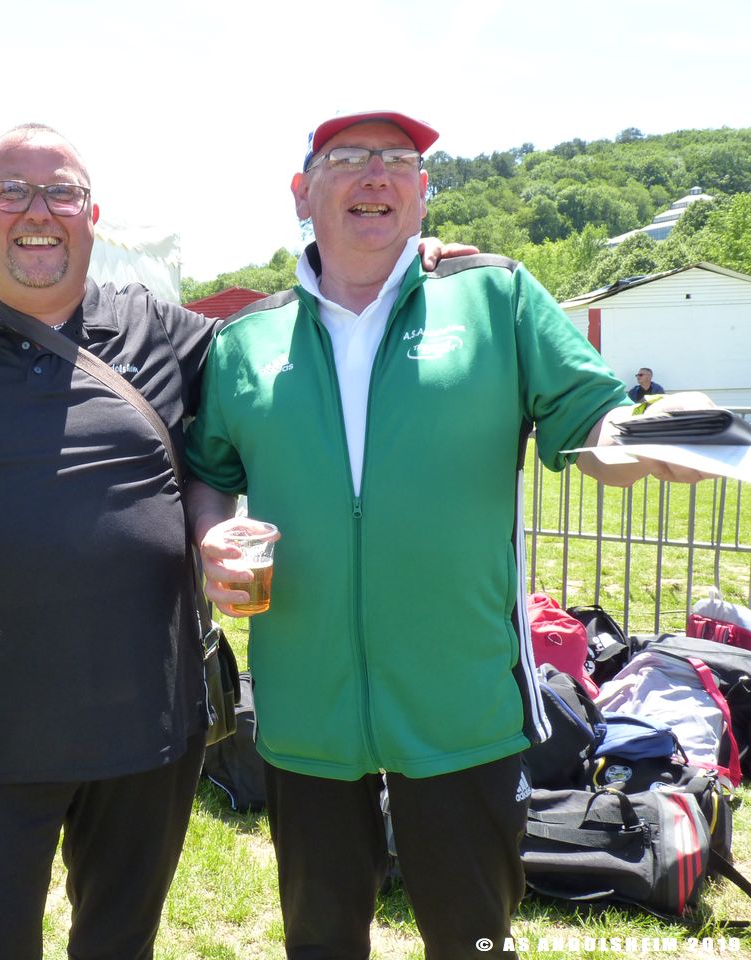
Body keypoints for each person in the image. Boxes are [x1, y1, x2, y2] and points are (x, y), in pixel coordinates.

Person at [0, 122, 464, 960]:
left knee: (120, 946)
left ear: (91, 216)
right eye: (12, 192)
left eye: (62, 193)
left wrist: (394, 264)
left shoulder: (161, 332)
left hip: (146, 733)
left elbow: (300, 342)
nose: (38, 211)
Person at [182, 110, 710, 960]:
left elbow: (594, 420)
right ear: (302, 193)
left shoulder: (497, 297)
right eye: (349, 158)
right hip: (304, 710)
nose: (375, 175)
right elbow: (209, 469)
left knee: (473, 943)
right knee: (319, 942)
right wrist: (212, 536)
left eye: (398, 160)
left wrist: (649, 439)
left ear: (424, 193)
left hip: (461, 704)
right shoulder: (246, 340)